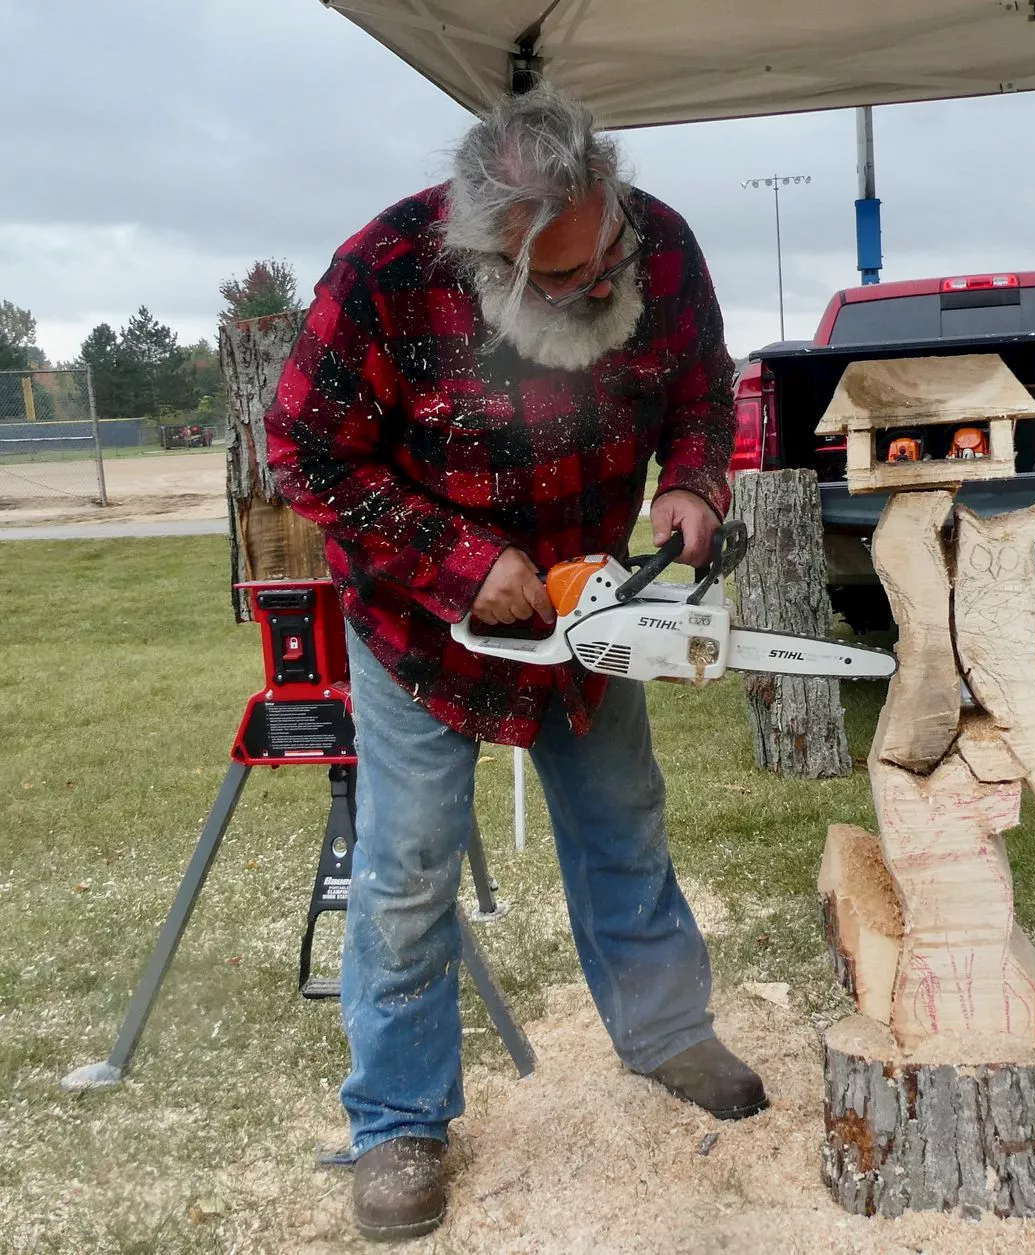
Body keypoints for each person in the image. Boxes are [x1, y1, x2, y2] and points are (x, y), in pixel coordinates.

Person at [264, 84, 766, 1242]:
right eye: (564, 279)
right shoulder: (383, 274)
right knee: (405, 867)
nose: (598, 290)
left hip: (589, 606)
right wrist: (454, 551)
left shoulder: (661, 245)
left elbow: (700, 387)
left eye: (606, 263)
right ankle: (397, 1119)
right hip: (423, 628)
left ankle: (666, 1034)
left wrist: (693, 478)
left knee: (623, 822)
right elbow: (303, 453)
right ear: (488, 248)